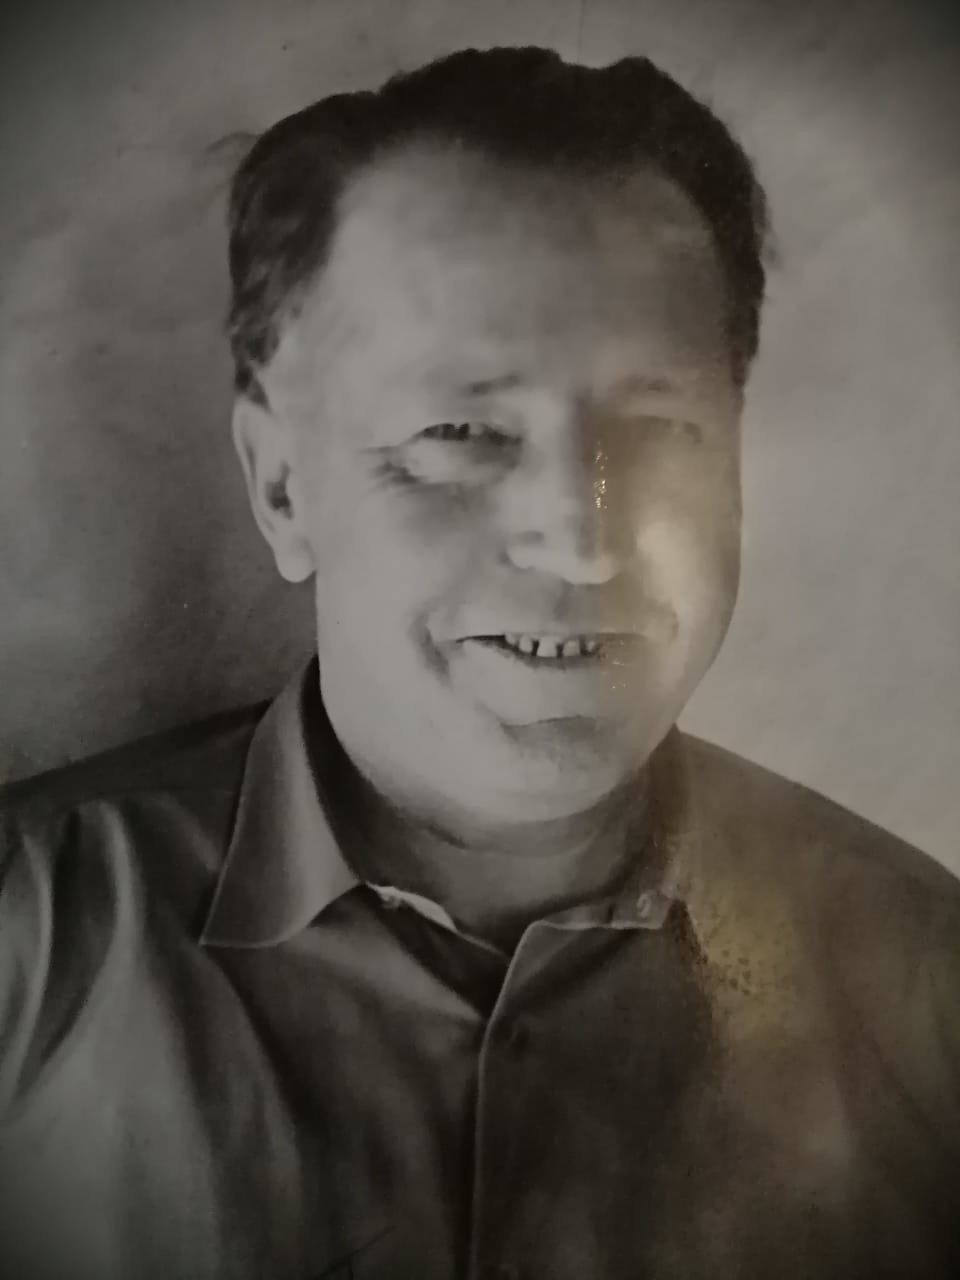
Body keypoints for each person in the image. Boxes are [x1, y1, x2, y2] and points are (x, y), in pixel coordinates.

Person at [1, 45, 958, 1280]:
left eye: (658, 427)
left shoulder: (929, 989)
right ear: (283, 488)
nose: (583, 532)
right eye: (461, 430)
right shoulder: (27, 946)